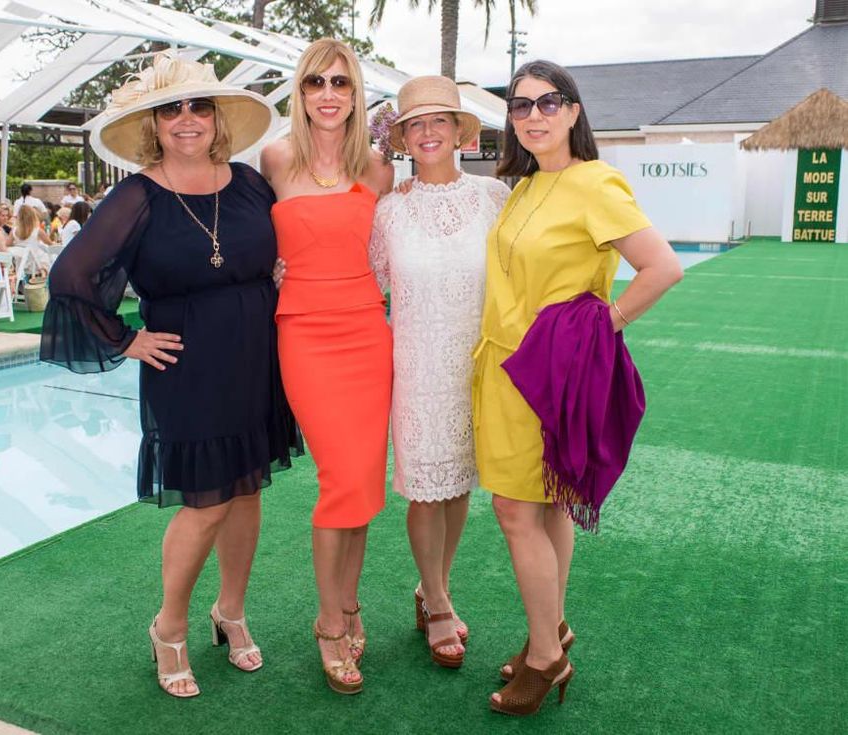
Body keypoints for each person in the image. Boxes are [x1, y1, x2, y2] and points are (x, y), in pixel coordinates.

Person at [40, 52, 300, 699]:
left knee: (247, 491)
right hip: (188, 366)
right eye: (171, 108)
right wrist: (126, 338)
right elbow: (70, 277)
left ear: (218, 117)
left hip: (256, 356)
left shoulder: (249, 184)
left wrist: (276, 275)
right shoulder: (137, 195)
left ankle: (231, 610)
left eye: (199, 106)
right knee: (206, 502)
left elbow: (274, 249)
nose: (187, 118)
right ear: (153, 124)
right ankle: (170, 625)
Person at [477, 60, 682, 716]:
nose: (533, 115)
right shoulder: (523, 186)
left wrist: (603, 326)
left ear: (572, 111)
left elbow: (662, 267)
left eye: (548, 102)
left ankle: (545, 657)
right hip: (507, 368)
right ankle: (553, 629)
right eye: (520, 105)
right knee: (550, 505)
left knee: (515, 510)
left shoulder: (595, 183)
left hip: (552, 371)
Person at [261, 37, 393, 695]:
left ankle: (349, 601)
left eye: (340, 82)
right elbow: (251, 236)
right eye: (316, 82)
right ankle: (328, 620)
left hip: (368, 331)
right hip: (306, 334)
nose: (328, 94)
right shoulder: (275, 158)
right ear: (300, 91)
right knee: (340, 477)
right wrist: (270, 269)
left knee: (363, 481)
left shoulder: (377, 168)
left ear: (356, 92)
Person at [368, 76, 510, 669]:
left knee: (458, 486)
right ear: (403, 138)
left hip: (479, 365)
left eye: (439, 121)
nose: (428, 132)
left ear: (459, 132)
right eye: (416, 124)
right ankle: (438, 599)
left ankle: (434, 590)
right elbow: (369, 284)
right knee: (427, 490)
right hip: (417, 368)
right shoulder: (387, 210)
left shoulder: (494, 196)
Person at [12, 205, 52, 276]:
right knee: (50, 256)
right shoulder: (38, 231)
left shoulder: (14, 231)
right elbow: (51, 244)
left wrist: (18, 245)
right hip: (37, 265)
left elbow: (7, 245)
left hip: (21, 265)